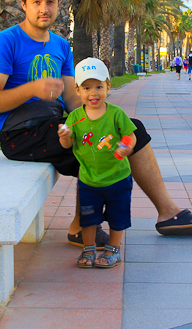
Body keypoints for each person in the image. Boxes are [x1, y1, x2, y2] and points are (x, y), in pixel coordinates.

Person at [0, 0, 192, 249]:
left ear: (58, 5)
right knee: (94, 144)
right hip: (19, 132)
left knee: (130, 129)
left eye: (50, 2)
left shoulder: (59, 45)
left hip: (53, 122)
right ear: (23, 4)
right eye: (36, 2)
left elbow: (70, 97)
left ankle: (167, 212)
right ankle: (82, 227)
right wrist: (32, 89)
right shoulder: (5, 42)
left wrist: (100, 115)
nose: (44, 8)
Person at [58, 57, 135, 268]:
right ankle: (89, 248)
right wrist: (64, 136)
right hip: (89, 180)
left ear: (108, 87)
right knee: (88, 218)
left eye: (99, 86)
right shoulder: (75, 118)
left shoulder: (116, 114)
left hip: (117, 178)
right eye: (86, 87)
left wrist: (127, 146)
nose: (93, 93)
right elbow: (67, 145)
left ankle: (113, 249)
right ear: (77, 90)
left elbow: (130, 135)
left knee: (117, 217)